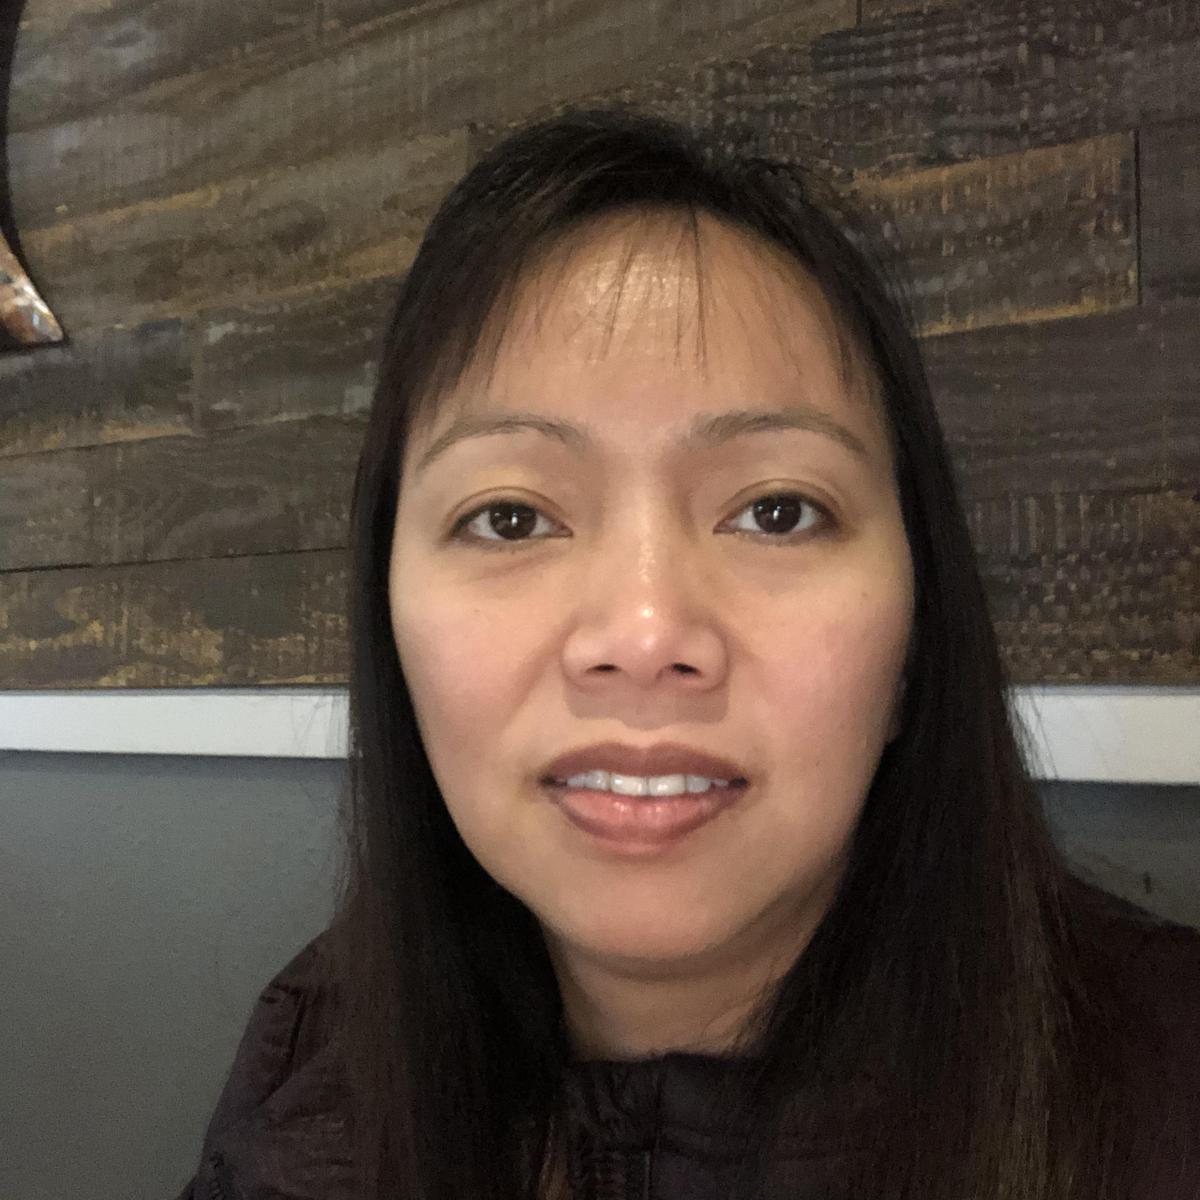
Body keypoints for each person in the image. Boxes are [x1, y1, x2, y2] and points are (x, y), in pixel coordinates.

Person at [174, 106, 1200, 1200]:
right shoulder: (311, 1071)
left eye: (776, 512)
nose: (645, 636)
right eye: (512, 518)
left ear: (915, 639)